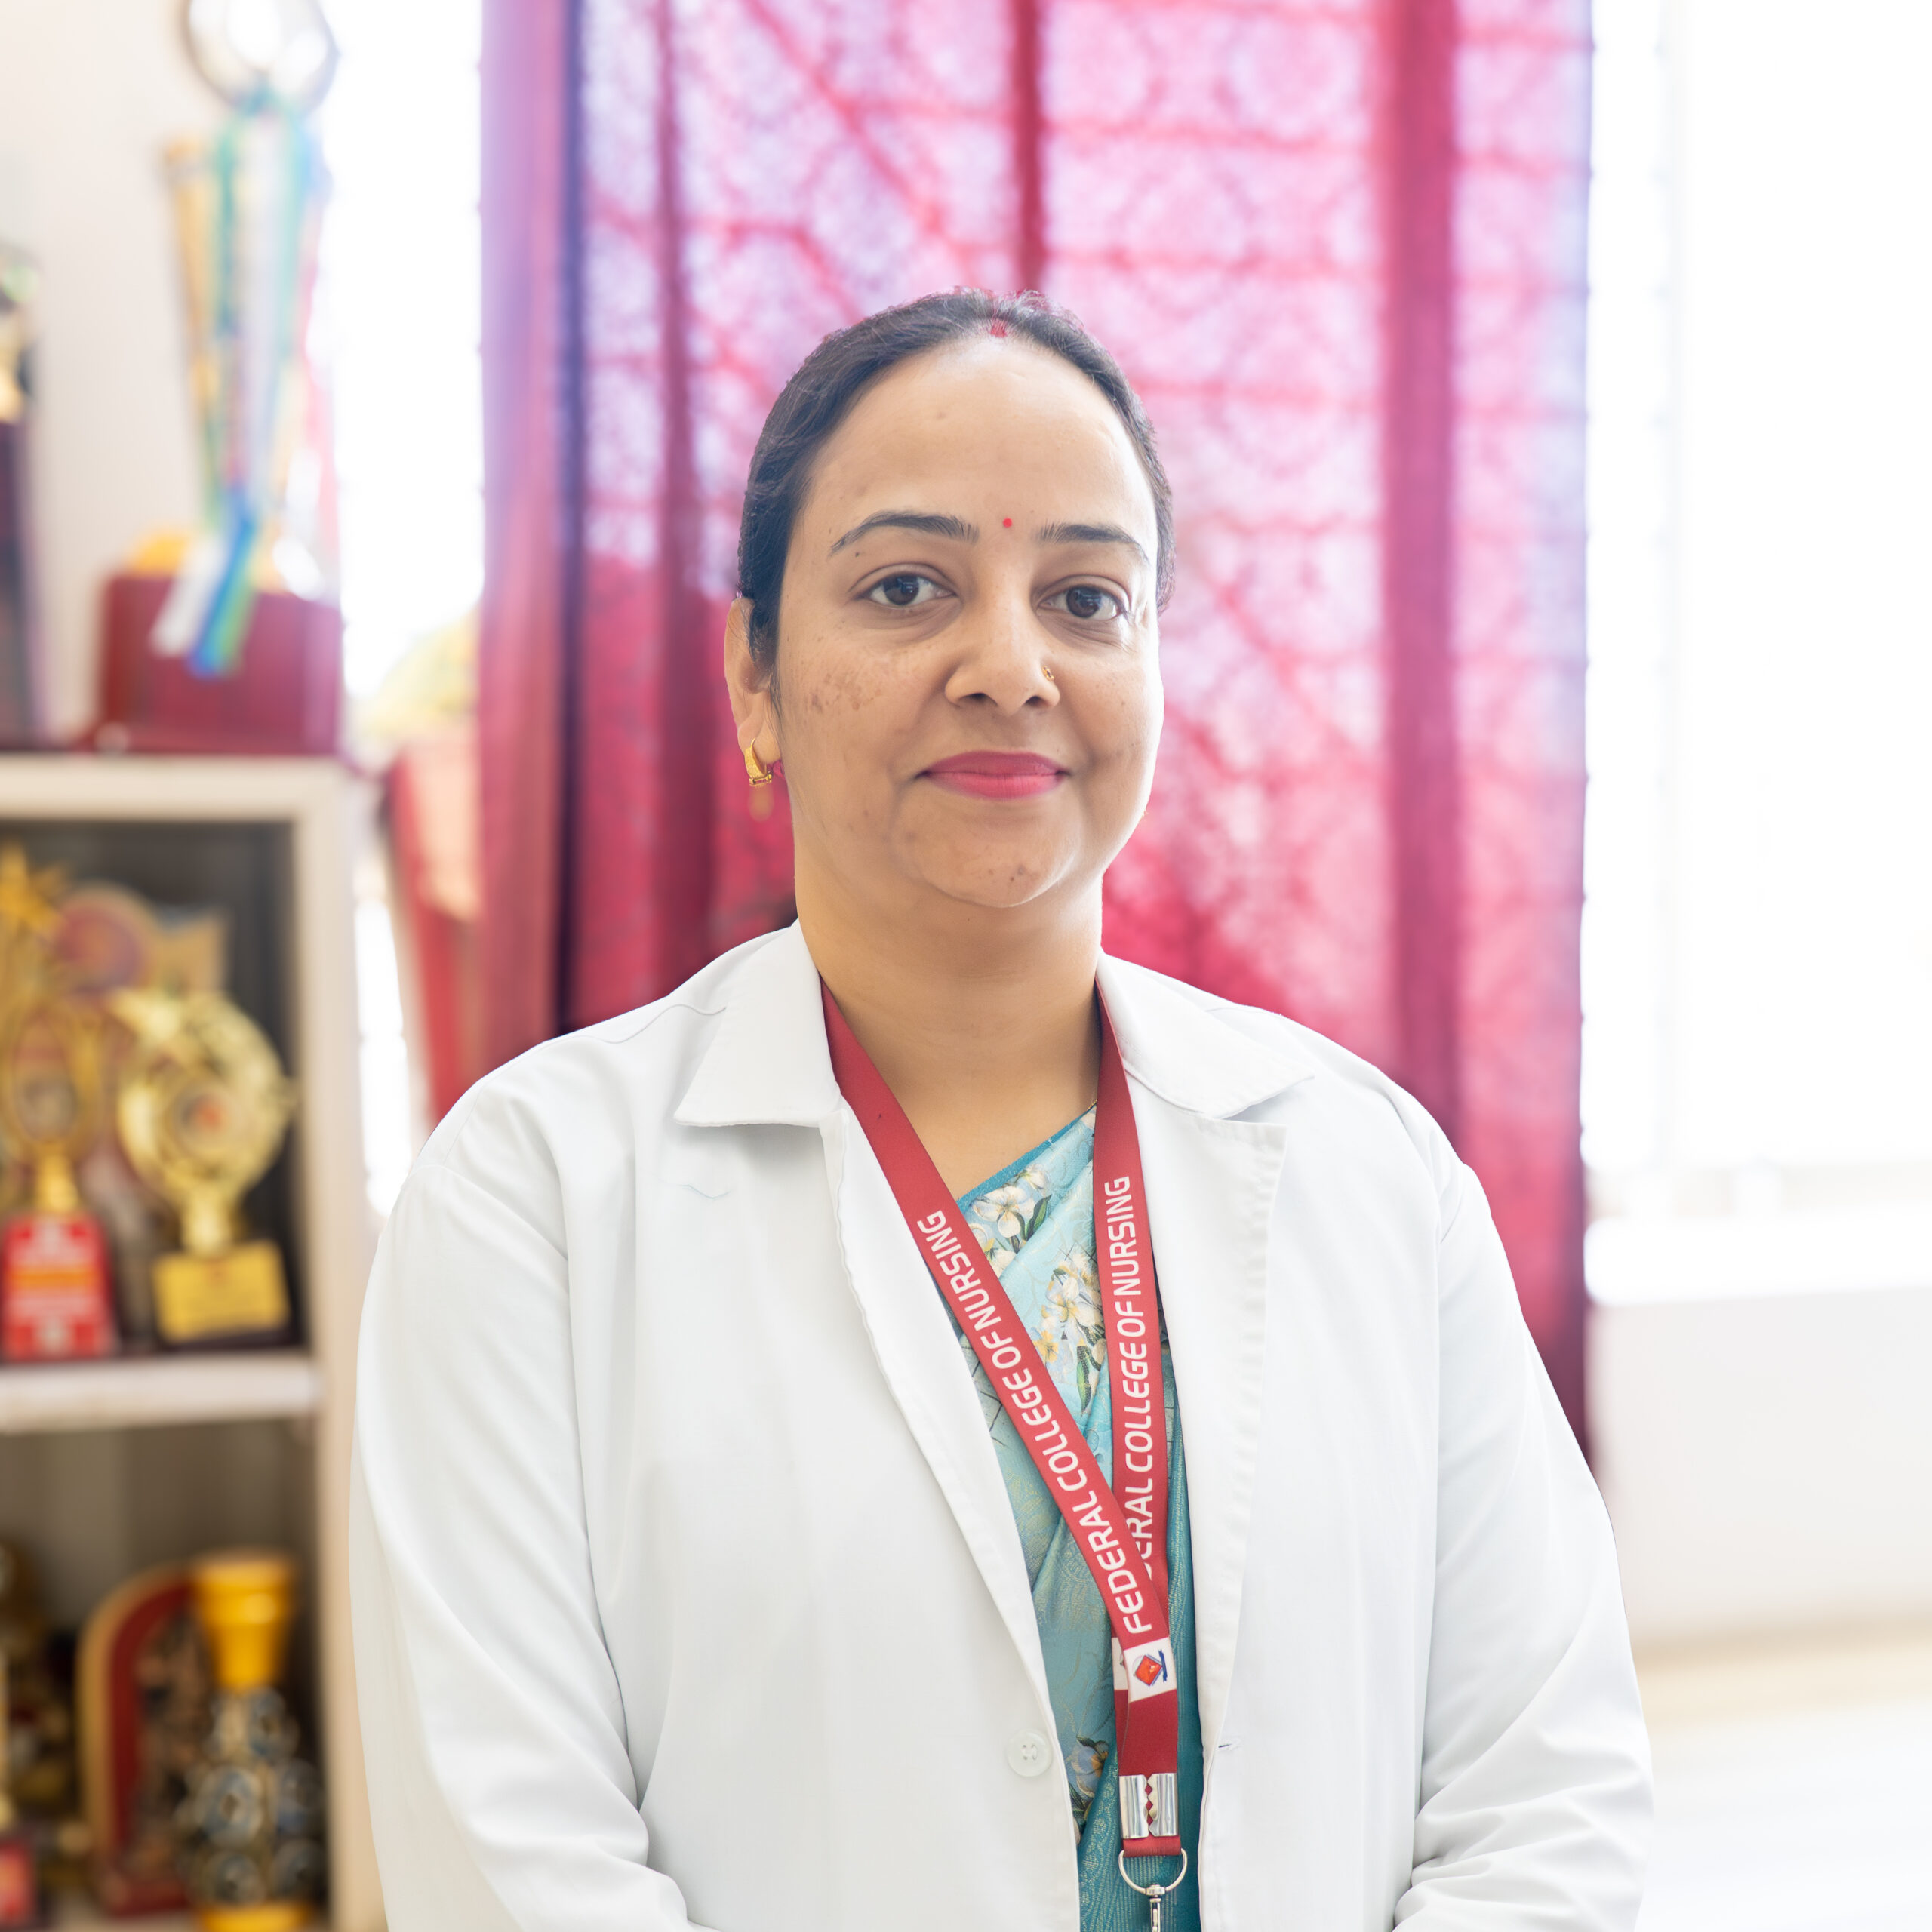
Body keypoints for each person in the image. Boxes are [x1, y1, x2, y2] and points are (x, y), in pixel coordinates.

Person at [350, 290, 1651, 1932]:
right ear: (754, 676)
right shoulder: (529, 1197)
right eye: (906, 587)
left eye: (1086, 598)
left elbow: (1546, 1793)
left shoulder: (1368, 1169)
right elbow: (511, 1860)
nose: (1011, 669)